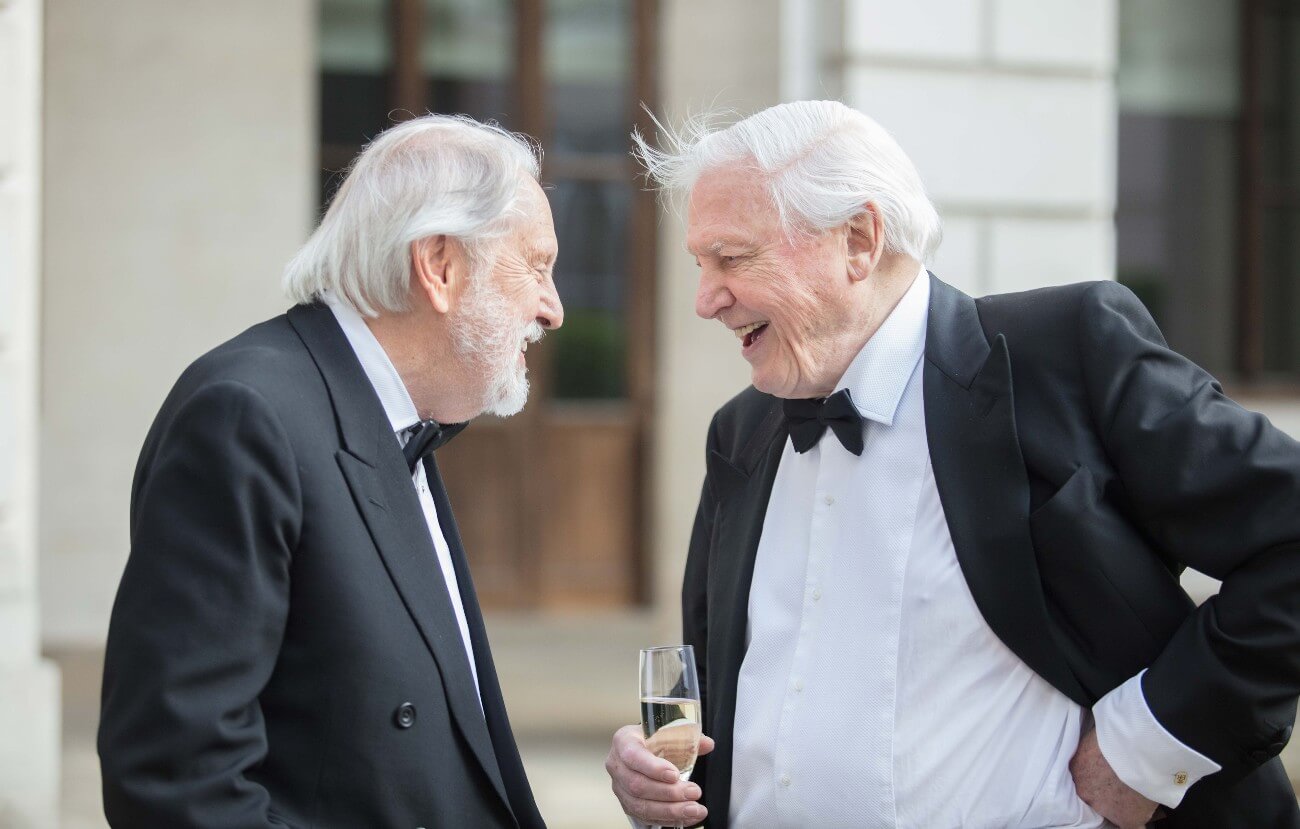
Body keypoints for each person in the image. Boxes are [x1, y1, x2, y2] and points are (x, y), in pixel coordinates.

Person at [605, 100, 1300, 828]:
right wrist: (655, 775)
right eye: (699, 263)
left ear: (858, 240)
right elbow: (715, 691)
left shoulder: (1066, 356)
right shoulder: (740, 433)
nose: (705, 299)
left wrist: (1147, 748)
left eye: (733, 258)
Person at [99, 114, 562, 828]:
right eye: (535, 265)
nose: (551, 308)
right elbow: (176, 776)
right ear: (439, 265)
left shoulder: (397, 412)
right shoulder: (246, 417)